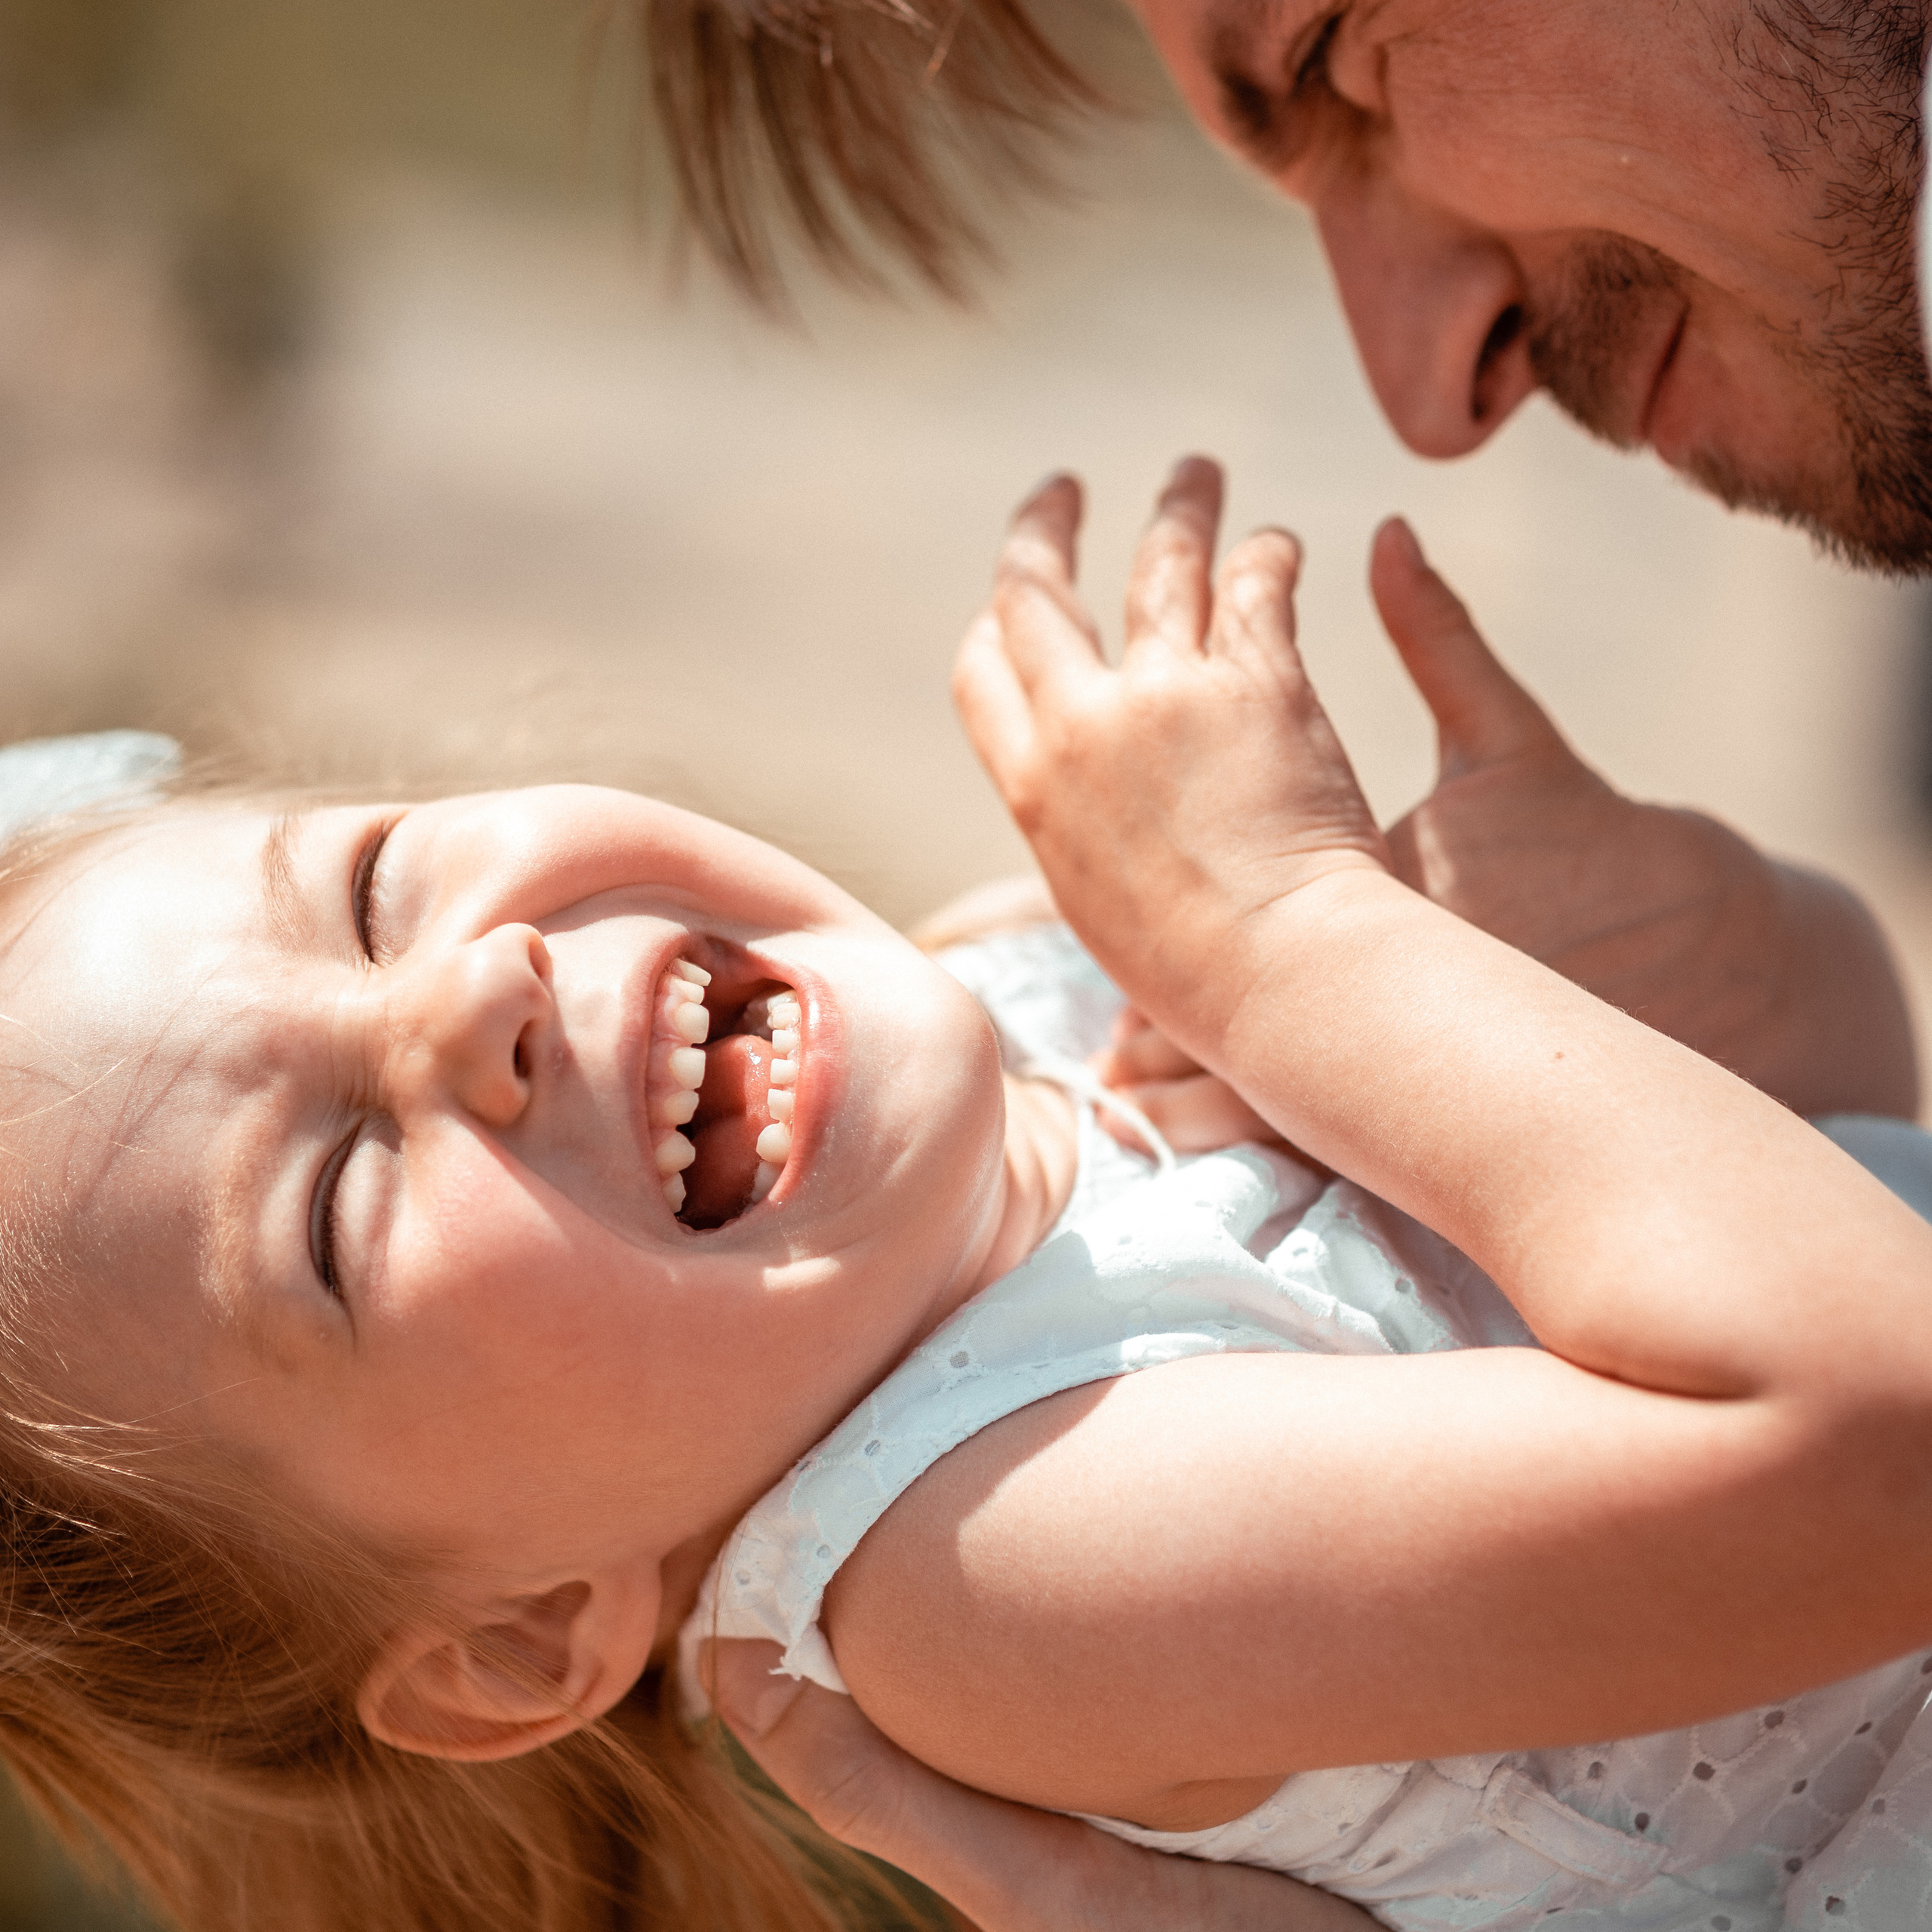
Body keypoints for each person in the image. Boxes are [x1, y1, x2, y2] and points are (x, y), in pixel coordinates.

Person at [1, 461, 1930, 1932]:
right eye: (333, 1206)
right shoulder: (976, 1568)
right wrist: (1294, 938)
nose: (465, 991)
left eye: (367, 890)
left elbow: (1853, 1143)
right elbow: (1880, 1444)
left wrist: (1682, 949)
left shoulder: (1018, 986)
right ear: (518, 1638)